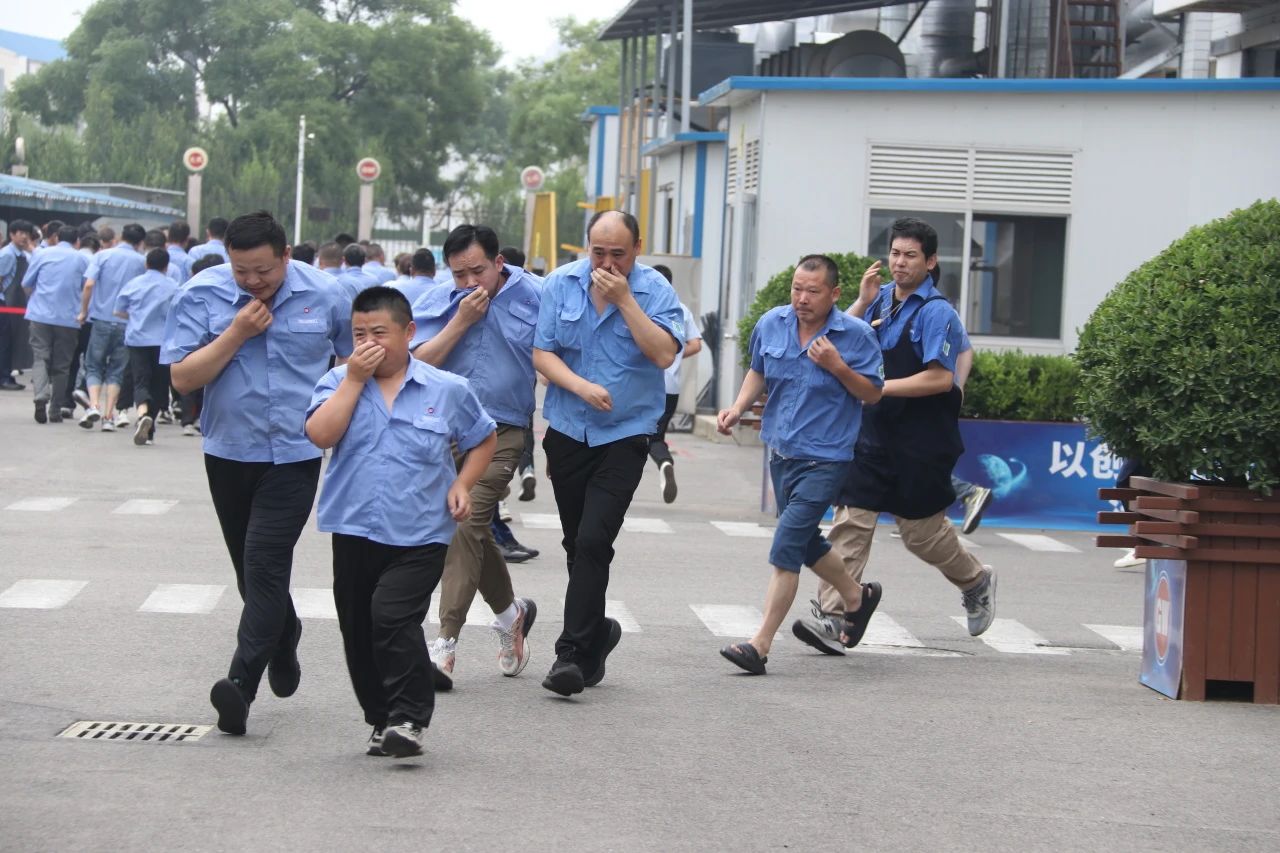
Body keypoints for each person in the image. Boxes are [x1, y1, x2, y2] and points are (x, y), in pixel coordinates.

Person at [162, 210, 353, 735]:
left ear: (286, 256)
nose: (252, 280)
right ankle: (284, 635)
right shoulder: (201, 294)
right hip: (229, 451)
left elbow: (353, 361)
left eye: (264, 270)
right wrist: (236, 332)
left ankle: (239, 686)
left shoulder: (326, 294)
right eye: (241, 270)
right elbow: (183, 378)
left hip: (295, 452)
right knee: (249, 574)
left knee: (265, 565)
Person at [306, 286, 496, 758]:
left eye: (379, 333)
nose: (368, 343)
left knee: (392, 616)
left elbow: (483, 439)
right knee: (358, 629)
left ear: (408, 332)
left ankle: (410, 717)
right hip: (354, 526)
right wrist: (353, 380)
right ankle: (381, 718)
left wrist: (463, 484)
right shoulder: (337, 381)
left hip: (421, 532)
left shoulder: (446, 388)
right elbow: (319, 435)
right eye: (359, 334)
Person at [796, 218, 998, 657]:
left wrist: (879, 388)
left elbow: (940, 379)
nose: (899, 263)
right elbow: (831, 339)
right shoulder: (879, 297)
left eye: (910, 255)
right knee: (851, 520)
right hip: (871, 434)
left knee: (921, 534)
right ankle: (834, 615)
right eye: (894, 253)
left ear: (931, 261)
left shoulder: (937, 312)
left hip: (921, 440)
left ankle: (975, 580)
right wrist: (860, 301)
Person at [532, 210, 683, 696]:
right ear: (587, 247)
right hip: (568, 430)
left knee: (595, 539)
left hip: (626, 434)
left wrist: (624, 301)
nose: (607, 263)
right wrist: (579, 386)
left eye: (618, 253)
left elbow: (664, 354)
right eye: (598, 252)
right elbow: (543, 352)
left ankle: (570, 654)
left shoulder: (654, 290)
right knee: (577, 544)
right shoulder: (561, 283)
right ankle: (596, 633)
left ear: (637, 247)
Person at [716, 255, 884, 674]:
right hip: (781, 451)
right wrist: (738, 407)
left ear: (835, 294)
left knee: (787, 545)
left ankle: (759, 645)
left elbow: (872, 393)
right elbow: (758, 371)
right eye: (797, 289)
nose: (802, 298)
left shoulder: (856, 336)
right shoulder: (772, 323)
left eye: (812, 291)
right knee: (805, 539)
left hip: (826, 458)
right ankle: (856, 597)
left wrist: (837, 366)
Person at [411, 225, 541, 687]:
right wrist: (460, 321)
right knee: (472, 531)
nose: (469, 283)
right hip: (446, 432)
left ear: (499, 262)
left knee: (465, 522)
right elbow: (416, 363)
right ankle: (510, 616)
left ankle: (444, 643)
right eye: (458, 274)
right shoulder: (439, 302)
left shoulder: (536, 296)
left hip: (504, 430)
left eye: (477, 271)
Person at [77, 223, 146, 431]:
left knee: (93, 365)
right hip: (126, 322)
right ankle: (108, 416)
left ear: (120, 236)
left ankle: (94, 406)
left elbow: (89, 284)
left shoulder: (102, 256)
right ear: (140, 242)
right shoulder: (141, 261)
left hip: (101, 319)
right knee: (116, 370)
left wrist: (83, 311)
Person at [647, 264, 703, 503]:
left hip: (644, 384)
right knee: (656, 435)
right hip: (671, 387)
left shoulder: (642, 306)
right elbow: (696, 345)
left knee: (637, 435)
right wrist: (674, 356)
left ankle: (663, 461)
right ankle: (664, 462)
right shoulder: (681, 309)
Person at [22, 224, 87, 423]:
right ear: (77, 241)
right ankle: (55, 409)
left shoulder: (41, 254)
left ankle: (40, 395)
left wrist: (36, 299)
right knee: (62, 365)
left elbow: (26, 284)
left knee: (40, 357)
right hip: (68, 319)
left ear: (57, 237)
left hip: (40, 315)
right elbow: (86, 287)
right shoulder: (82, 259)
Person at [114, 248, 179, 446]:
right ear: (166, 266)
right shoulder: (174, 286)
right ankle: (149, 429)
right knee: (159, 384)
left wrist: (135, 316)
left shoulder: (134, 284)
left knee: (140, 380)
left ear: (146, 264)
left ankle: (143, 413)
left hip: (138, 340)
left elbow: (118, 311)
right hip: (163, 342)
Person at [175, 254, 225, 437]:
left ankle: (189, 419)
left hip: (194, 343)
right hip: (216, 346)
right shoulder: (228, 291)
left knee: (192, 380)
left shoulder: (189, 290)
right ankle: (197, 418)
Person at [0, 220, 37, 391]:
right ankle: (3, 378)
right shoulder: (7, 254)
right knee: (5, 342)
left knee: (12, 341)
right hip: (5, 304)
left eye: (27, 233)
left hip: (14, 305)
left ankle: (7, 375)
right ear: (11, 235)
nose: (24, 237)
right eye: (20, 233)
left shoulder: (22, 255)